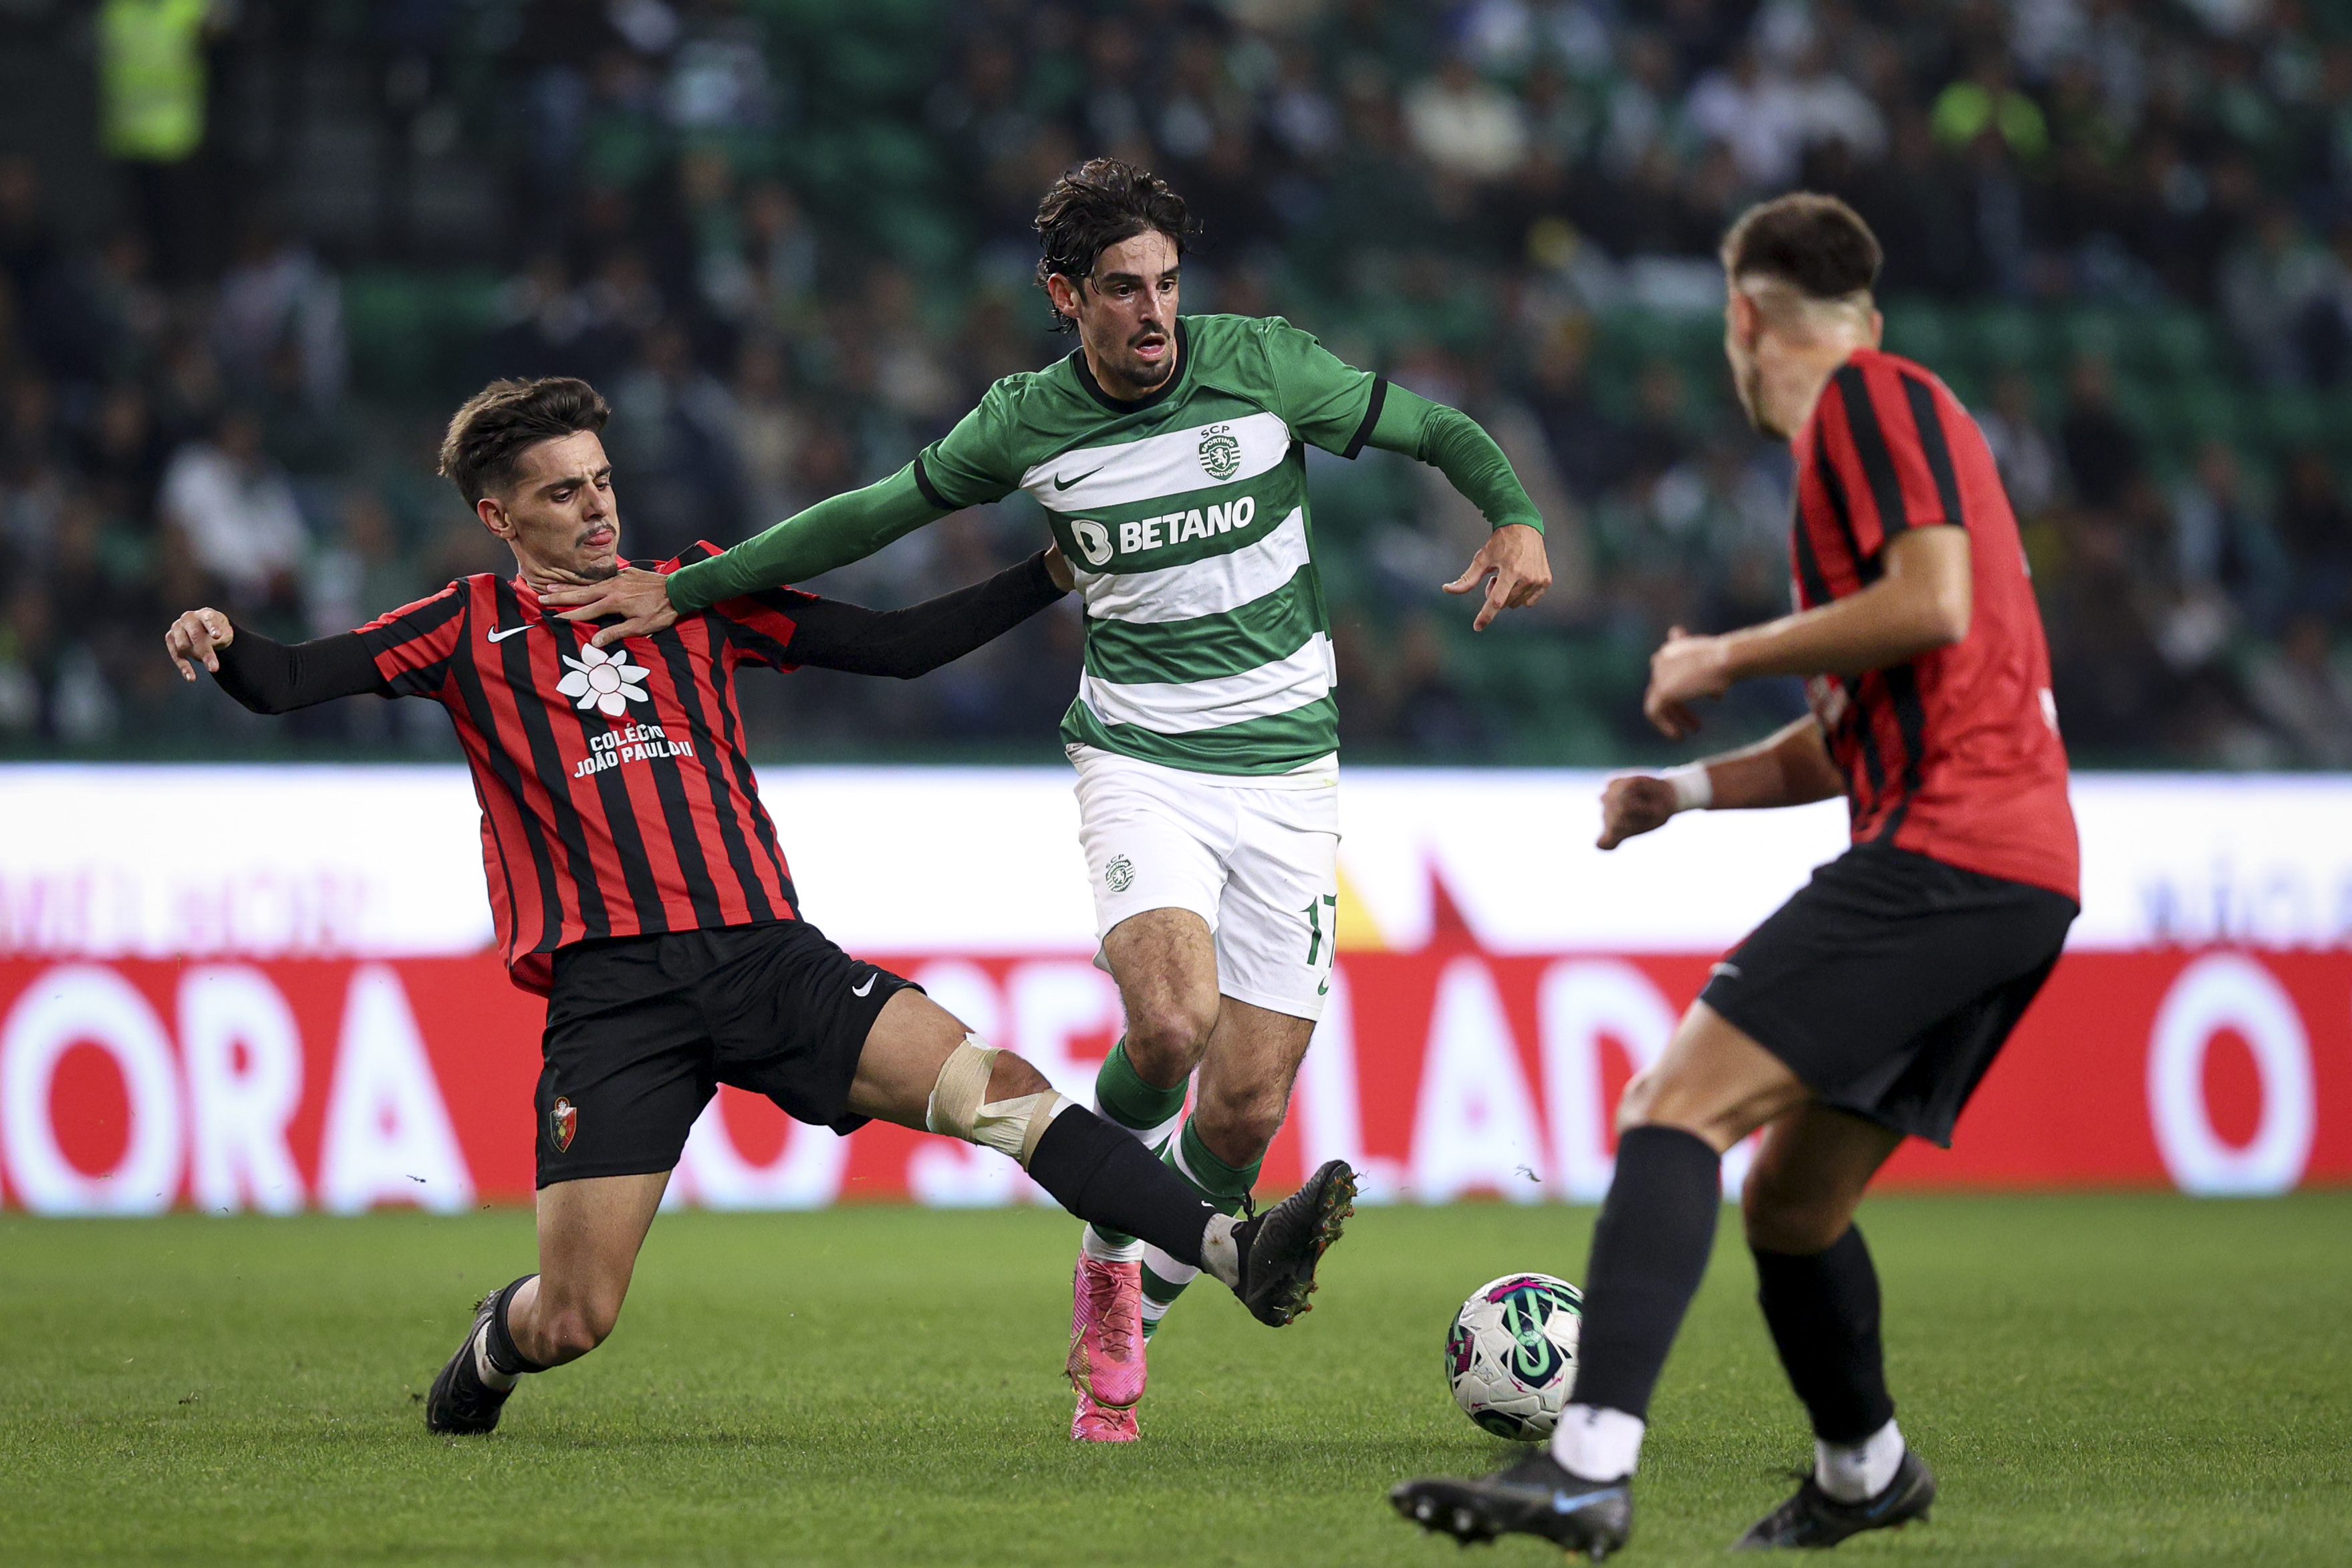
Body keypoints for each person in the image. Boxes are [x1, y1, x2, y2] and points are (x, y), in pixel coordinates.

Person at [541, 157, 1553, 1442]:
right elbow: (863, 520)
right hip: (1143, 760)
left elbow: (1439, 429)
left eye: (1169, 284)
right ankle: (1112, 1242)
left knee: (1242, 1111)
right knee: (1172, 1026)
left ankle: (1129, 1270)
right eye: (1123, 289)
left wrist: (1512, 514)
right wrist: (684, 591)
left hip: (1292, 771)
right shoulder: (1023, 421)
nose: (1153, 313)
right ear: (1064, 296)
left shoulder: (1265, 364)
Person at [161, 375, 1356, 1437]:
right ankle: (495, 1341)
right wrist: (220, 637)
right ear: (499, 517)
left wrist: (1050, 571)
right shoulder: (464, 628)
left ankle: (1230, 1249)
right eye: (564, 493)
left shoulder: (693, 593)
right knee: (575, 1316)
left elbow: (893, 648)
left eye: (603, 480)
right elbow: (289, 680)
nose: (597, 509)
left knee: (1002, 1090)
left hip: (768, 961)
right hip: (615, 999)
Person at [1391, 193, 2079, 1555]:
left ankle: (1585, 1468)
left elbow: (1931, 603)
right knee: (1791, 1205)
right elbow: (1848, 730)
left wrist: (1718, 655)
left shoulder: (1864, 404)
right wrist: (1687, 792)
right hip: (2015, 878)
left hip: (1949, 849)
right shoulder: (1893, 441)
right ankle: (1863, 1466)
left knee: (1670, 1106)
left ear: (1743, 321)